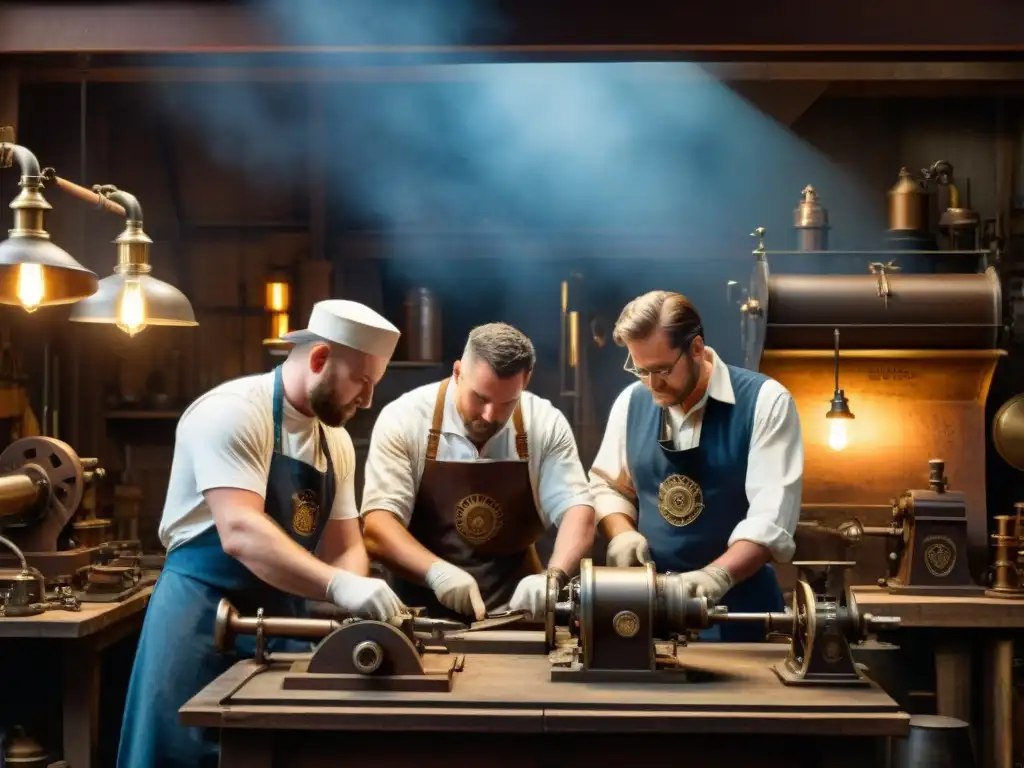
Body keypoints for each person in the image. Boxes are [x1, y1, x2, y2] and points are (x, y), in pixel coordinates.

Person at [118, 300, 408, 768]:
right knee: (180, 755)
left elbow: (346, 544)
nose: (368, 399)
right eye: (363, 380)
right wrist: (339, 586)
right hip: (200, 620)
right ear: (318, 360)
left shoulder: (333, 441)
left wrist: (355, 605)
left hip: (283, 625)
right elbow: (240, 531)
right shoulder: (231, 413)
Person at [589, 290, 802, 641]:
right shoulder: (631, 402)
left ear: (696, 348)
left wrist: (716, 576)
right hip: (651, 612)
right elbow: (610, 486)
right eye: (640, 369)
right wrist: (621, 531)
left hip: (740, 613)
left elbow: (771, 520)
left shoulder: (765, 401)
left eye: (662, 369)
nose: (652, 384)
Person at [360, 322, 595, 622]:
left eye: (507, 402)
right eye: (481, 398)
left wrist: (553, 576)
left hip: (516, 616)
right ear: (458, 372)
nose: (490, 416)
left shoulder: (544, 423)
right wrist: (437, 573)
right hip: (419, 620)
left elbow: (579, 513)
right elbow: (378, 527)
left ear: (526, 381)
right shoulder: (404, 419)